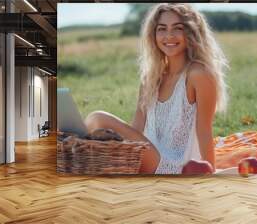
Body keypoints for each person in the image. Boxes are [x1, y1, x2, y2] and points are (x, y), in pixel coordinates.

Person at [84, 3, 228, 174]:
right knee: (95, 129)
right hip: (146, 155)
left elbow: (204, 130)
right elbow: (136, 128)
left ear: (191, 32)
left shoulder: (198, 74)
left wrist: (210, 174)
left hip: (176, 165)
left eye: (178, 28)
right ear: (153, 34)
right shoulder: (150, 78)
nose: (169, 36)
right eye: (162, 29)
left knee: (98, 118)